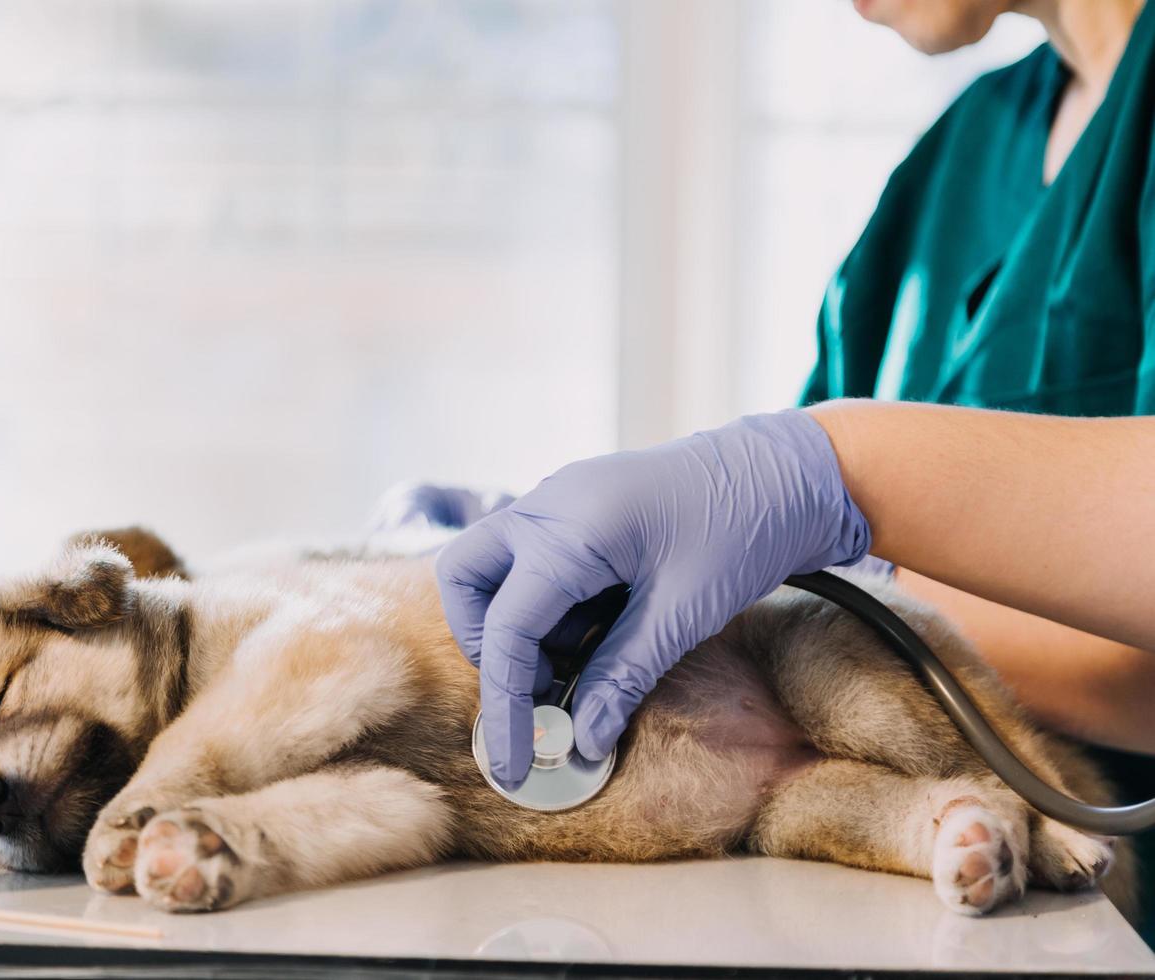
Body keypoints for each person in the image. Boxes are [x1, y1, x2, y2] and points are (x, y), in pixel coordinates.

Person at [402, 0, 1155, 937]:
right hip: (902, 915)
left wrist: (841, 569)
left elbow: (1135, 665)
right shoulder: (965, 150)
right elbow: (785, 533)